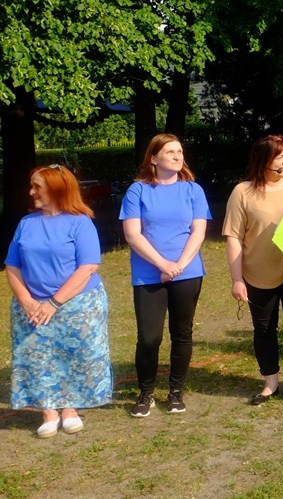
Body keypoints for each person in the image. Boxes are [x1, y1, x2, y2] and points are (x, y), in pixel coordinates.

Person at [4, 165, 112, 438]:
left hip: (76, 304)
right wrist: (27, 301)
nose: (31, 192)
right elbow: (12, 266)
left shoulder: (80, 222)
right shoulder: (26, 223)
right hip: (32, 307)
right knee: (38, 356)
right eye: (31, 186)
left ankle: (70, 409)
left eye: (37, 187)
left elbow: (88, 266)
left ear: (56, 189)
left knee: (73, 356)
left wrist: (53, 303)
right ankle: (48, 412)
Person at [223, 135, 283, 406]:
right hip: (257, 275)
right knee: (264, 329)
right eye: (280, 156)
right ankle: (270, 383)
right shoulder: (242, 192)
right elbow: (233, 238)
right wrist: (237, 279)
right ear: (263, 159)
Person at [121, 134, 212, 417]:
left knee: (182, 334)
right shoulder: (137, 191)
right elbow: (132, 234)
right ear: (153, 158)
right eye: (170, 151)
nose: (177, 156)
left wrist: (179, 265)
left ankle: (176, 391)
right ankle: (146, 392)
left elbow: (198, 231)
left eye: (180, 151)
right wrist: (162, 264)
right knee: (149, 337)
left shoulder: (193, 190)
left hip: (187, 273)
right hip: (148, 275)